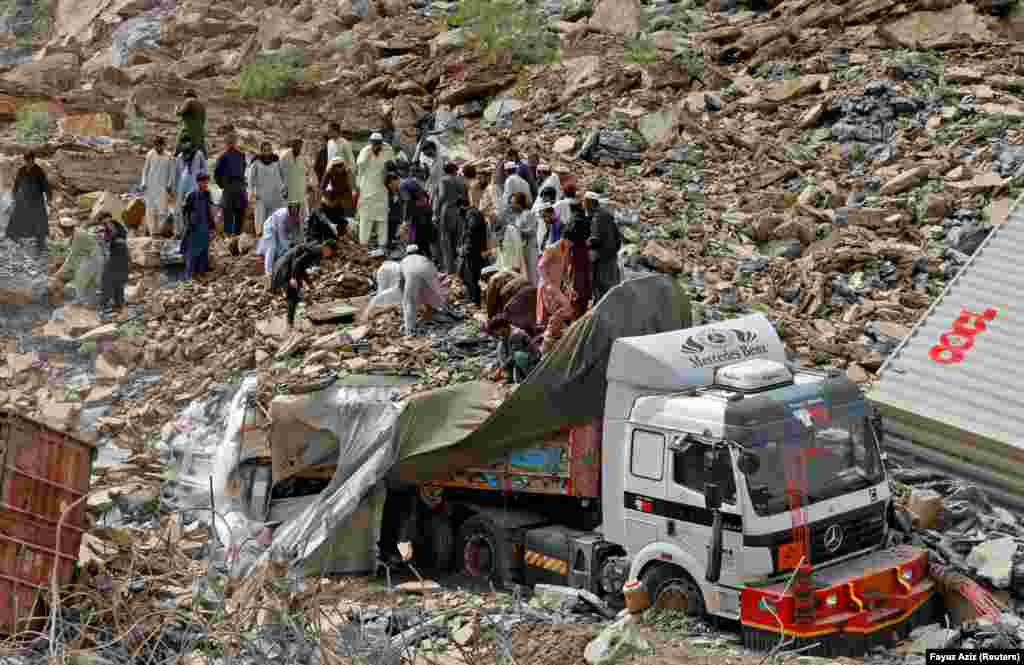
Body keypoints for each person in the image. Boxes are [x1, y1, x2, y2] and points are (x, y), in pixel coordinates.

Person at [271, 240, 338, 329]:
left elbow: (302, 267)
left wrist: (309, 283)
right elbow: (297, 262)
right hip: (285, 268)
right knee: (293, 295)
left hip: (290, 267)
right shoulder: (315, 251)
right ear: (327, 249)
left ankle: (294, 318)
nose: (329, 256)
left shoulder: (316, 250)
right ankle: (289, 324)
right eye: (331, 253)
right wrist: (293, 278)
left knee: (297, 292)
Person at [355, 132, 394, 251]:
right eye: (374, 143)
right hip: (367, 191)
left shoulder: (387, 150)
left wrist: (390, 166)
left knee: (382, 220)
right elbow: (360, 164)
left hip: (382, 191)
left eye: (378, 143)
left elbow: (392, 166)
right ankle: (363, 246)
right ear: (370, 143)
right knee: (366, 219)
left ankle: (382, 247)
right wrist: (370, 152)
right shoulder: (365, 151)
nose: (376, 145)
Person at [5, 150, 51, 252]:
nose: (28, 163)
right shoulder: (21, 170)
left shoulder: (39, 171)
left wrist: (49, 198)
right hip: (24, 198)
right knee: (17, 216)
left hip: (36, 200)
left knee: (39, 220)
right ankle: (13, 235)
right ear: (25, 160)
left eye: (30, 161)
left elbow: (45, 185)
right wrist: (14, 195)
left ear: (33, 160)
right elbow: (17, 183)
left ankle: (40, 243)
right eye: (27, 161)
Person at [398, 244, 446, 336]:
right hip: (428, 274)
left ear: (407, 253)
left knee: (408, 302)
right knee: (431, 293)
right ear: (417, 251)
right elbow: (434, 271)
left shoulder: (403, 261)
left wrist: (403, 293)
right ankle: (435, 312)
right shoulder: (424, 258)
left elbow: (401, 280)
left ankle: (409, 329)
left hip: (412, 276)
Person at [584, 191, 623, 303]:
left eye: (585, 203)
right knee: (612, 287)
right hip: (611, 257)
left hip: (602, 260)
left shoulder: (597, 218)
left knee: (602, 289)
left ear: (590, 204)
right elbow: (617, 237)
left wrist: (585, 245)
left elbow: (595, 241)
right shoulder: (607, 215)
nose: (584, 206)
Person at [536, 239, 574, 353]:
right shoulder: (551, 248)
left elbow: (564, 272)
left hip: (556, 287)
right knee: (546, 317)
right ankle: (542, 345)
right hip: (546, 287)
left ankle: (553, 342)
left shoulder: (567, 249)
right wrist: (548, 284)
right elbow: (541, 267)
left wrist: (568, 286)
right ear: (566, 239)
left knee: (563, 311)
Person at [484, 315, 541, 384]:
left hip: (532, 358)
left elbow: (513, 355)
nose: (496, 333)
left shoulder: (516, 334)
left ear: (502, 327)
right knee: (500, 347)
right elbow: (506, 354)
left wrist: (500, 369)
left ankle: (532, 376)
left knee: (518, 355)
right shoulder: (505, 335)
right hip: (521, 359)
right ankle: (509, 375)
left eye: (496, 331)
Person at [484, 270, 539, 338]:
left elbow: (491, 306)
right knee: (530, 322)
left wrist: (490, 323)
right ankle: (533, 340)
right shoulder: (511, 272)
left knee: (515, 320)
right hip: (533, 292)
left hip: (518, 296)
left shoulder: (493, 279)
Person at [434, 160, 467, 274]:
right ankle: (460, 268)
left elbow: (442, 195)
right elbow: (464, 198)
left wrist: (436, 211)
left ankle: (450, 270)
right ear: (454, 170)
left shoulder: (443, 180)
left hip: (447, 210)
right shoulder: (460, 181)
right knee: (458, 240)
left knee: (446, 240)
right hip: (458, 212)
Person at [180, 172, 215, 280]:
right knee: (193, 251)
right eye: (203, 182)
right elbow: (185, 211)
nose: (205, 184)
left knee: (204, 250)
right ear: (198, 182)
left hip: (204, 226)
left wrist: (212, 225)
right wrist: (187, 224)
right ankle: (190, 276)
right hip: (194, 226)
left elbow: (209, 210)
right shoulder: (191, 195)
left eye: (206, 182)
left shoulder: (207, 194)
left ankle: (202, 273)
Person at [248, 142, 286, 236]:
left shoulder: (276, 161)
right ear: (261, 151)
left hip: (275, 196)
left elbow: (282, 176)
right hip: (261, 196)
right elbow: (251, 180)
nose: (267, 152)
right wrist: (252, 193)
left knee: (274, 222)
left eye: (269, 150)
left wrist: (283, 190)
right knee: (260, 221)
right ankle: (260, 240)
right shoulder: (256, 162)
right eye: (265, 150)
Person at [257, 200, 305, 276]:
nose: (294, 215)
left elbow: (298, 233)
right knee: (272, 247)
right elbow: (281, 236)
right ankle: (268, 271)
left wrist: (300, 244)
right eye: (293, 212)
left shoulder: (298, 215)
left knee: (283, 248)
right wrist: (289, 249)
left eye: (296, 212)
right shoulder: (282, 216)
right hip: (270, 227)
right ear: (289, 210)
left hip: (282, 229)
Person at [563, 197, 592, 319]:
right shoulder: (586, 220)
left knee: (576, 280)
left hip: (575, 253)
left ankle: (576, 312)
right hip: (585, 252)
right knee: (584, 280)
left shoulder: (572, 221)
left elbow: (567, 237)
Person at [140, 137, 175, 237]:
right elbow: (145, 170)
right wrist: (143, 183)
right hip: (150, 187)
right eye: (156, 146)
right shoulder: (150, 154)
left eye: (160, 146)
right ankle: (152, 232)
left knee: (163, 211)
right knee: (150, 210)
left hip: (163, 188)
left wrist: (169, 185)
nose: (158, 148)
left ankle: (159, 231)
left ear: (163, 146)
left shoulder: (169, 156)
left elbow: (172, 173)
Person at [96, 212, 129, 314]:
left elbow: (112, 236)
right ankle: (118, 304)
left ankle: (105, 305)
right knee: (117, 281)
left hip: (117, 256)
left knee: (107, 280)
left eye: (105, 221)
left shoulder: (111, 225)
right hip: (120, 256)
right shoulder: (116, 225)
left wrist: (105, 237)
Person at [174, 138, 207, 238]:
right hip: (182, 185)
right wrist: (175, 188)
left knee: (194, 209)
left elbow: (204, 170)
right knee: (179, 209)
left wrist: (204, 185)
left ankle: (194, 232)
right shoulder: (180, 156)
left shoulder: (199, 155)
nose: (187, 155)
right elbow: (177, 174)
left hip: (195, 185)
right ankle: (179, 231)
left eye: (188, 153)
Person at [399, 176, 434, 262]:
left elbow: (408, 202)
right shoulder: (412, 181)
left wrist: (405, 220)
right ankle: (428, 258)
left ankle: (418, 260)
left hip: (418, 215)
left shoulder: (402, 186)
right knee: (424, 239)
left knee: (416, 239)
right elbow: (426, 195)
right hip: (426, 212)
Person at [458, 205, 487, 307]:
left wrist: (465, 248)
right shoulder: (474, 213)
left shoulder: (471, 214)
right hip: (475, 251)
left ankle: (475, 301)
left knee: (473, 277)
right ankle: (474, 300)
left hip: (473, 252)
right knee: (471, 277)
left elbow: (471, 230)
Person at [320, 158, 355, 236]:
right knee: (329, 223)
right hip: (330, 200)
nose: (339, 168)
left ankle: (342, 237)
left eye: (341, 166)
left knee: (342, 222)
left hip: (341, 202)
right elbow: (322, 188)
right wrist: (328, 200)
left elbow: (349, 190)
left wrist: (342, 201)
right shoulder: (329, 172)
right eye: (337, 166)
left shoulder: (347, 173)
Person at [513, 193, 540, 287]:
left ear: (519, 203)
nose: (511, 205)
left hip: (530, 247)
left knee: (532, 272)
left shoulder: (528, 214)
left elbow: (532, 231)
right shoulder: (517, 216)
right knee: (525, 273)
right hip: (522, 248)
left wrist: (518, 231)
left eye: (513, 203)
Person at [279, 139, 308, 218]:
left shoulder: (302, 157)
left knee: (299, 207)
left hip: (299, 187)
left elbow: (306, 172)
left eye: (300, 146)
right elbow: (280, 171)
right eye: (297, 146)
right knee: (288, 208)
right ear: (293, 146)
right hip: (288, 186)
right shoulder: (285, 156)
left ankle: (296, 222)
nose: (299, 148)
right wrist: (282, 186)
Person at [175, 89, 207, 156]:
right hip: (200, 133)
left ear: (186, 95)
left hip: (189, 132)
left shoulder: (189, 101)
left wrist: (176, 109)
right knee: (203, 154)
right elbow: (203, 120)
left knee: (178, 148)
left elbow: (180, 113)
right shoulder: (202, 105)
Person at [385, 173, 403, 252]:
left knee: (394, 234)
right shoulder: (386, 192)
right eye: (395, 182)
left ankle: (392, 246)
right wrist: (392, 200)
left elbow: (401, 202)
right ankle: (389, 248)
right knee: (390, 234)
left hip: (396, 216)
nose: (397, 184)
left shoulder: (397, 191)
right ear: (390, 183)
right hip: (390, 217)